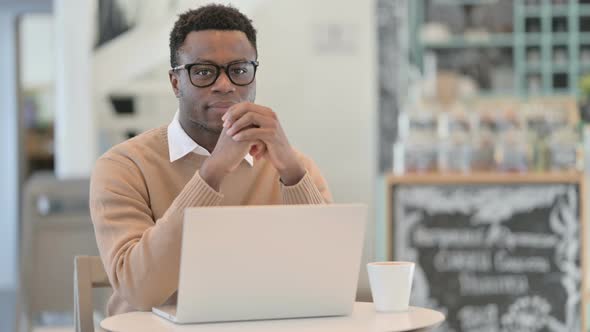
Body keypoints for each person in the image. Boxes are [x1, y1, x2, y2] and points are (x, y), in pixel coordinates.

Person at [89, 4, 332, 316]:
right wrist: (213, 171)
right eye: (203, 72)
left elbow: (328, 278)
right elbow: (140, 290)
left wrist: (293, 173)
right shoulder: (122, 167)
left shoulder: (294, 166)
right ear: (176, 82)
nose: (225, 85)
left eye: (240, 70)